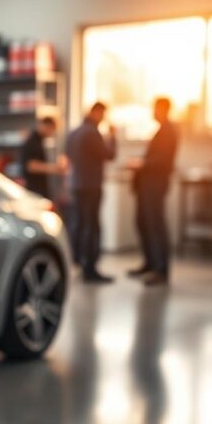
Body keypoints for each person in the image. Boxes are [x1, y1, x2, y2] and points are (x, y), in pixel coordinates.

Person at [128, 97, 180, 286]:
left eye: (155, 109)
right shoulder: (161, 130)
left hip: (155, 185)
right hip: (146, 185)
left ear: (164, 109)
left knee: (155, 226)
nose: (153, 112)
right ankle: (149, 264)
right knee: (144, 223)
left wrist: (141, 163)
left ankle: (160, 269)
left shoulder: (169, 131)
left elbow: (163, 161)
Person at [66, 102, 116, 283]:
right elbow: (109, 155)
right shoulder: (93, 133)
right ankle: (91, 269)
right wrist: (113, 137)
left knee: (79, 223)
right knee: (92, 226)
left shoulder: (73, 132)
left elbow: (68, 155)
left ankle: (77, 261)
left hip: (76, 184)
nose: (103, 118)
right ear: (96, 112)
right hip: (91, 186)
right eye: (102, 114)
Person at [19, 116, 68, 199]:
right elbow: (31, 166)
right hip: (34, 188)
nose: (52, 133)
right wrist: (55, 168)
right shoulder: (33, 141)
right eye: (52, 129)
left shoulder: (38, 140)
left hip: (38, 188)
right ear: (46, 126)